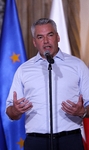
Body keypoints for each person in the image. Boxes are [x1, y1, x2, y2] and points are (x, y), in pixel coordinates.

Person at [6, 18, 89, 150]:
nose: (45, 41)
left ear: (57, 37)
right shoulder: (24, 70)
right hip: (36, 142)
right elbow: (10, 112)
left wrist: (83, 111)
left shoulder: (77, 65)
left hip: (70, 141)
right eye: (40, 37)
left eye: (50, 35)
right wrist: (15, 111)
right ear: (34, 42)